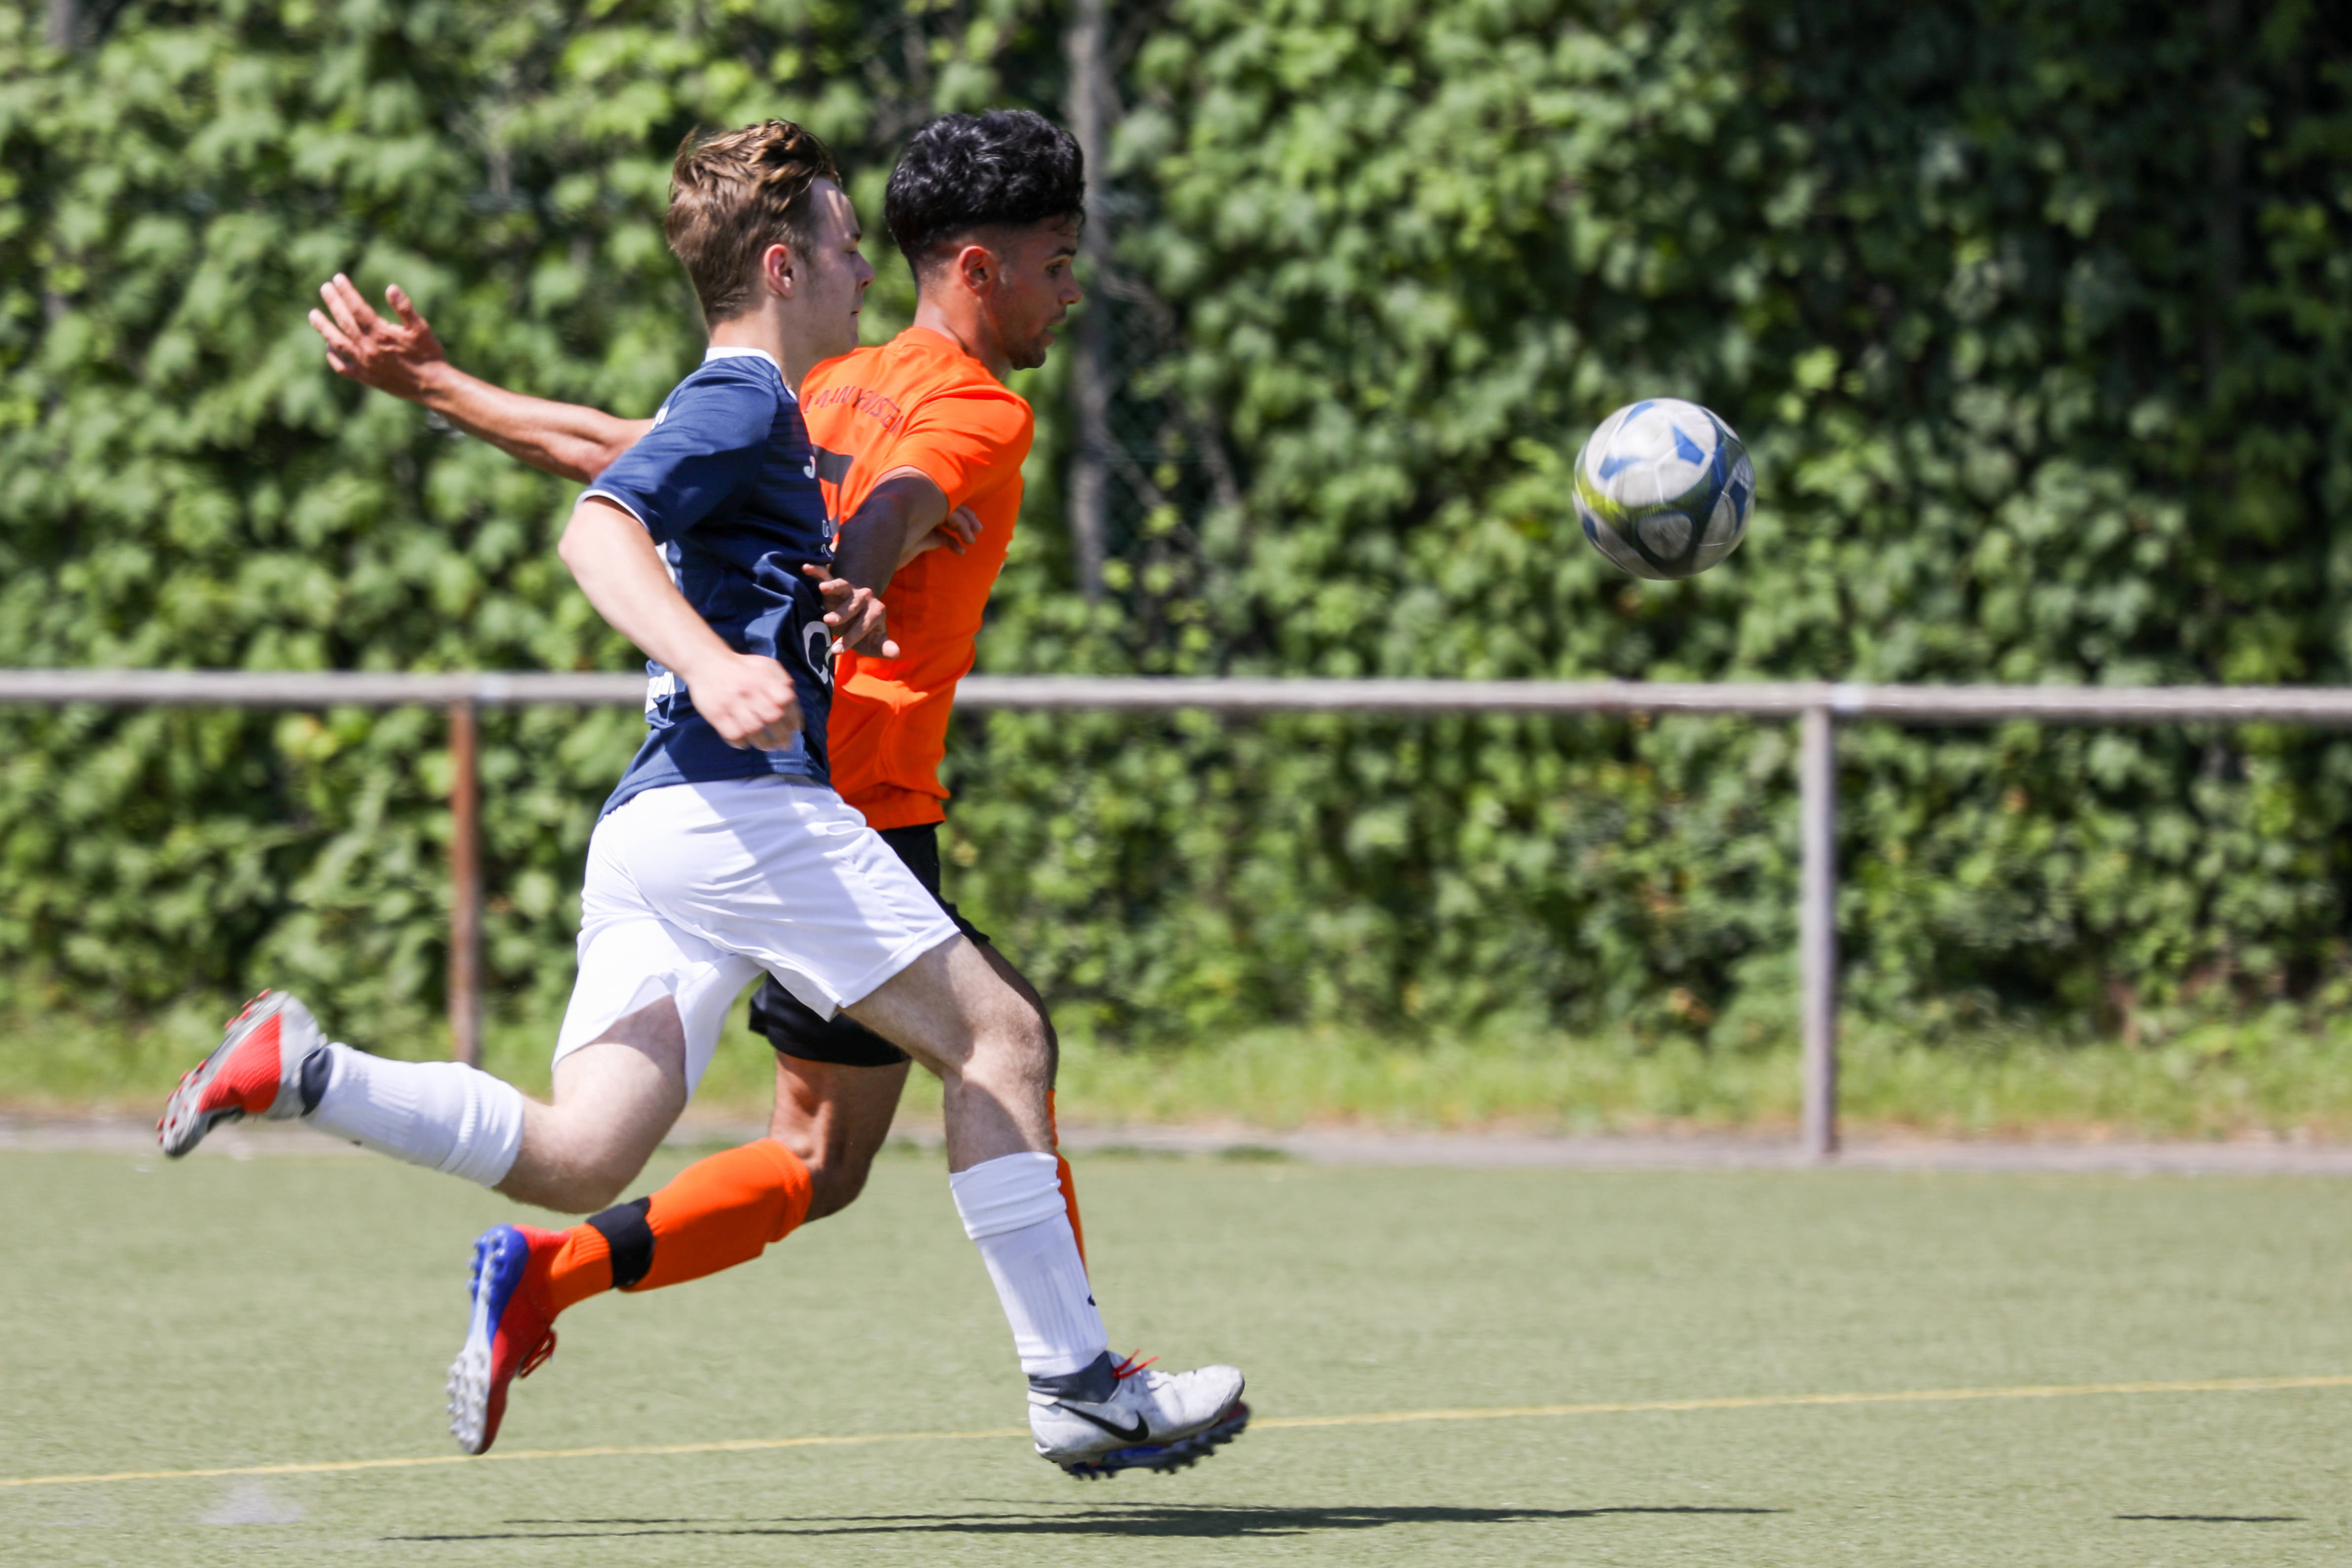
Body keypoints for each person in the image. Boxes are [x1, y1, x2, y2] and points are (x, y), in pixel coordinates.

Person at [160, 118, 1243, 1475]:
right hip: (782, 802)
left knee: (600, 1153)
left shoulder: (807, 394)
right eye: (1060, 261)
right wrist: (786, 618)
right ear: (962, 266)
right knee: (1000, 1043)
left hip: (657, 819)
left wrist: (440, 384)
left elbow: (622, 451)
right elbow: (855, 506)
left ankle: (310, 1074)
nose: (1071, 289)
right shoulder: (954, 402)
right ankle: (1077, 1384)